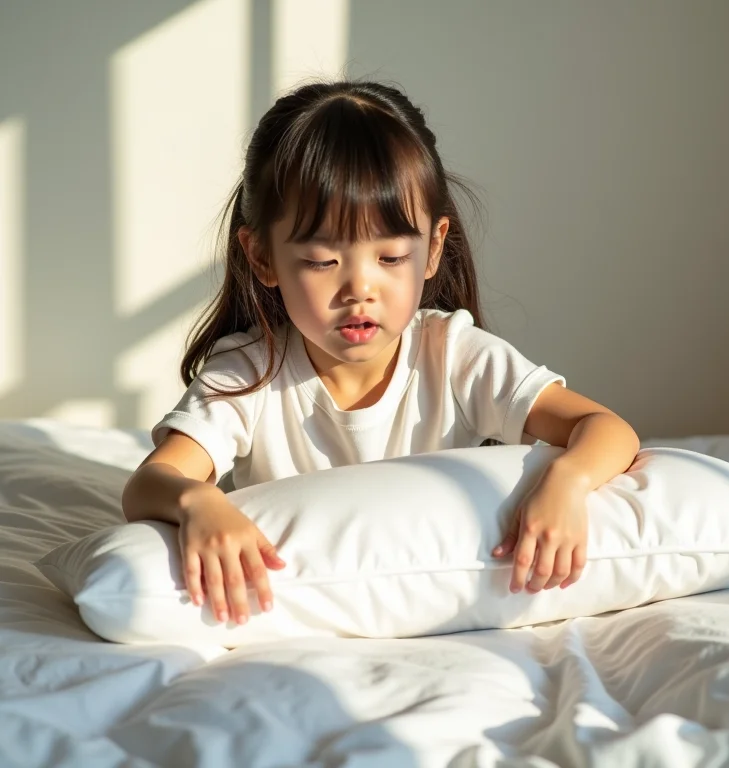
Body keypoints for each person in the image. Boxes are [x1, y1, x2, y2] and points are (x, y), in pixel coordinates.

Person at [122, 79, 640, 628]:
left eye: (391, 257)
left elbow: (605, 428)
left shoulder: (453, 354)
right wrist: (198, 503)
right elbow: (150, 483)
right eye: (323, 261)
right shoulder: (250, 371)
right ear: (263, 257)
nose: (359, 289)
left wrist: (568, 482)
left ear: (434, 247)